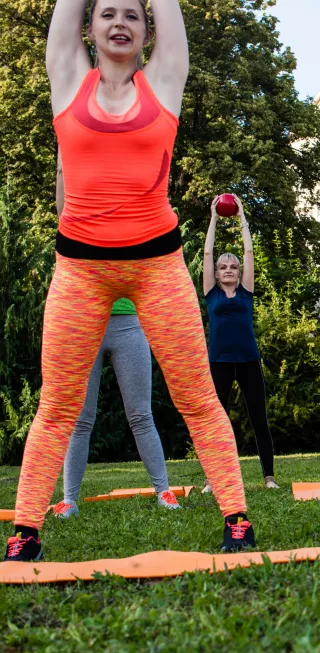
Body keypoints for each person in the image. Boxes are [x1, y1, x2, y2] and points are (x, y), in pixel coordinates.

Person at [4, 0, 255, 563]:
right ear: (88, 28)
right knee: (59, 405)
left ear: (147, 32)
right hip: (80, 270)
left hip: (156, 266)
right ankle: (25, 533)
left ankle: (238, 520)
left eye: (133, 16)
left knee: (196, 397)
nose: (120, 23)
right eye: (107, 13)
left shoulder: (163, 82)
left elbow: (169, 15)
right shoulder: (66, 76)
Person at [51, 157, 179, 518]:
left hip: (129, 326)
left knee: (141, 414)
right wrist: (64, 164)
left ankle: (164, 492)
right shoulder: (81, 226)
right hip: (86, 326)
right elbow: (63, 208)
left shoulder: (134, 226)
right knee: (81, 418)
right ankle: (69, 500)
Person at [201, 194, 279, 492]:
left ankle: (269, 477)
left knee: (259, 418)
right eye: (224, 267)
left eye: (233, 266)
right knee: (215, 424)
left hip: (248, 360)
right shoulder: (212, 293)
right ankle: (211, 478)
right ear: (217, 274)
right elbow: (207, 254)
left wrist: (242, 215)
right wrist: (214, 219)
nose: (230, 269)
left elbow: (248, 251)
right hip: (219, 362)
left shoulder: (246, 291)